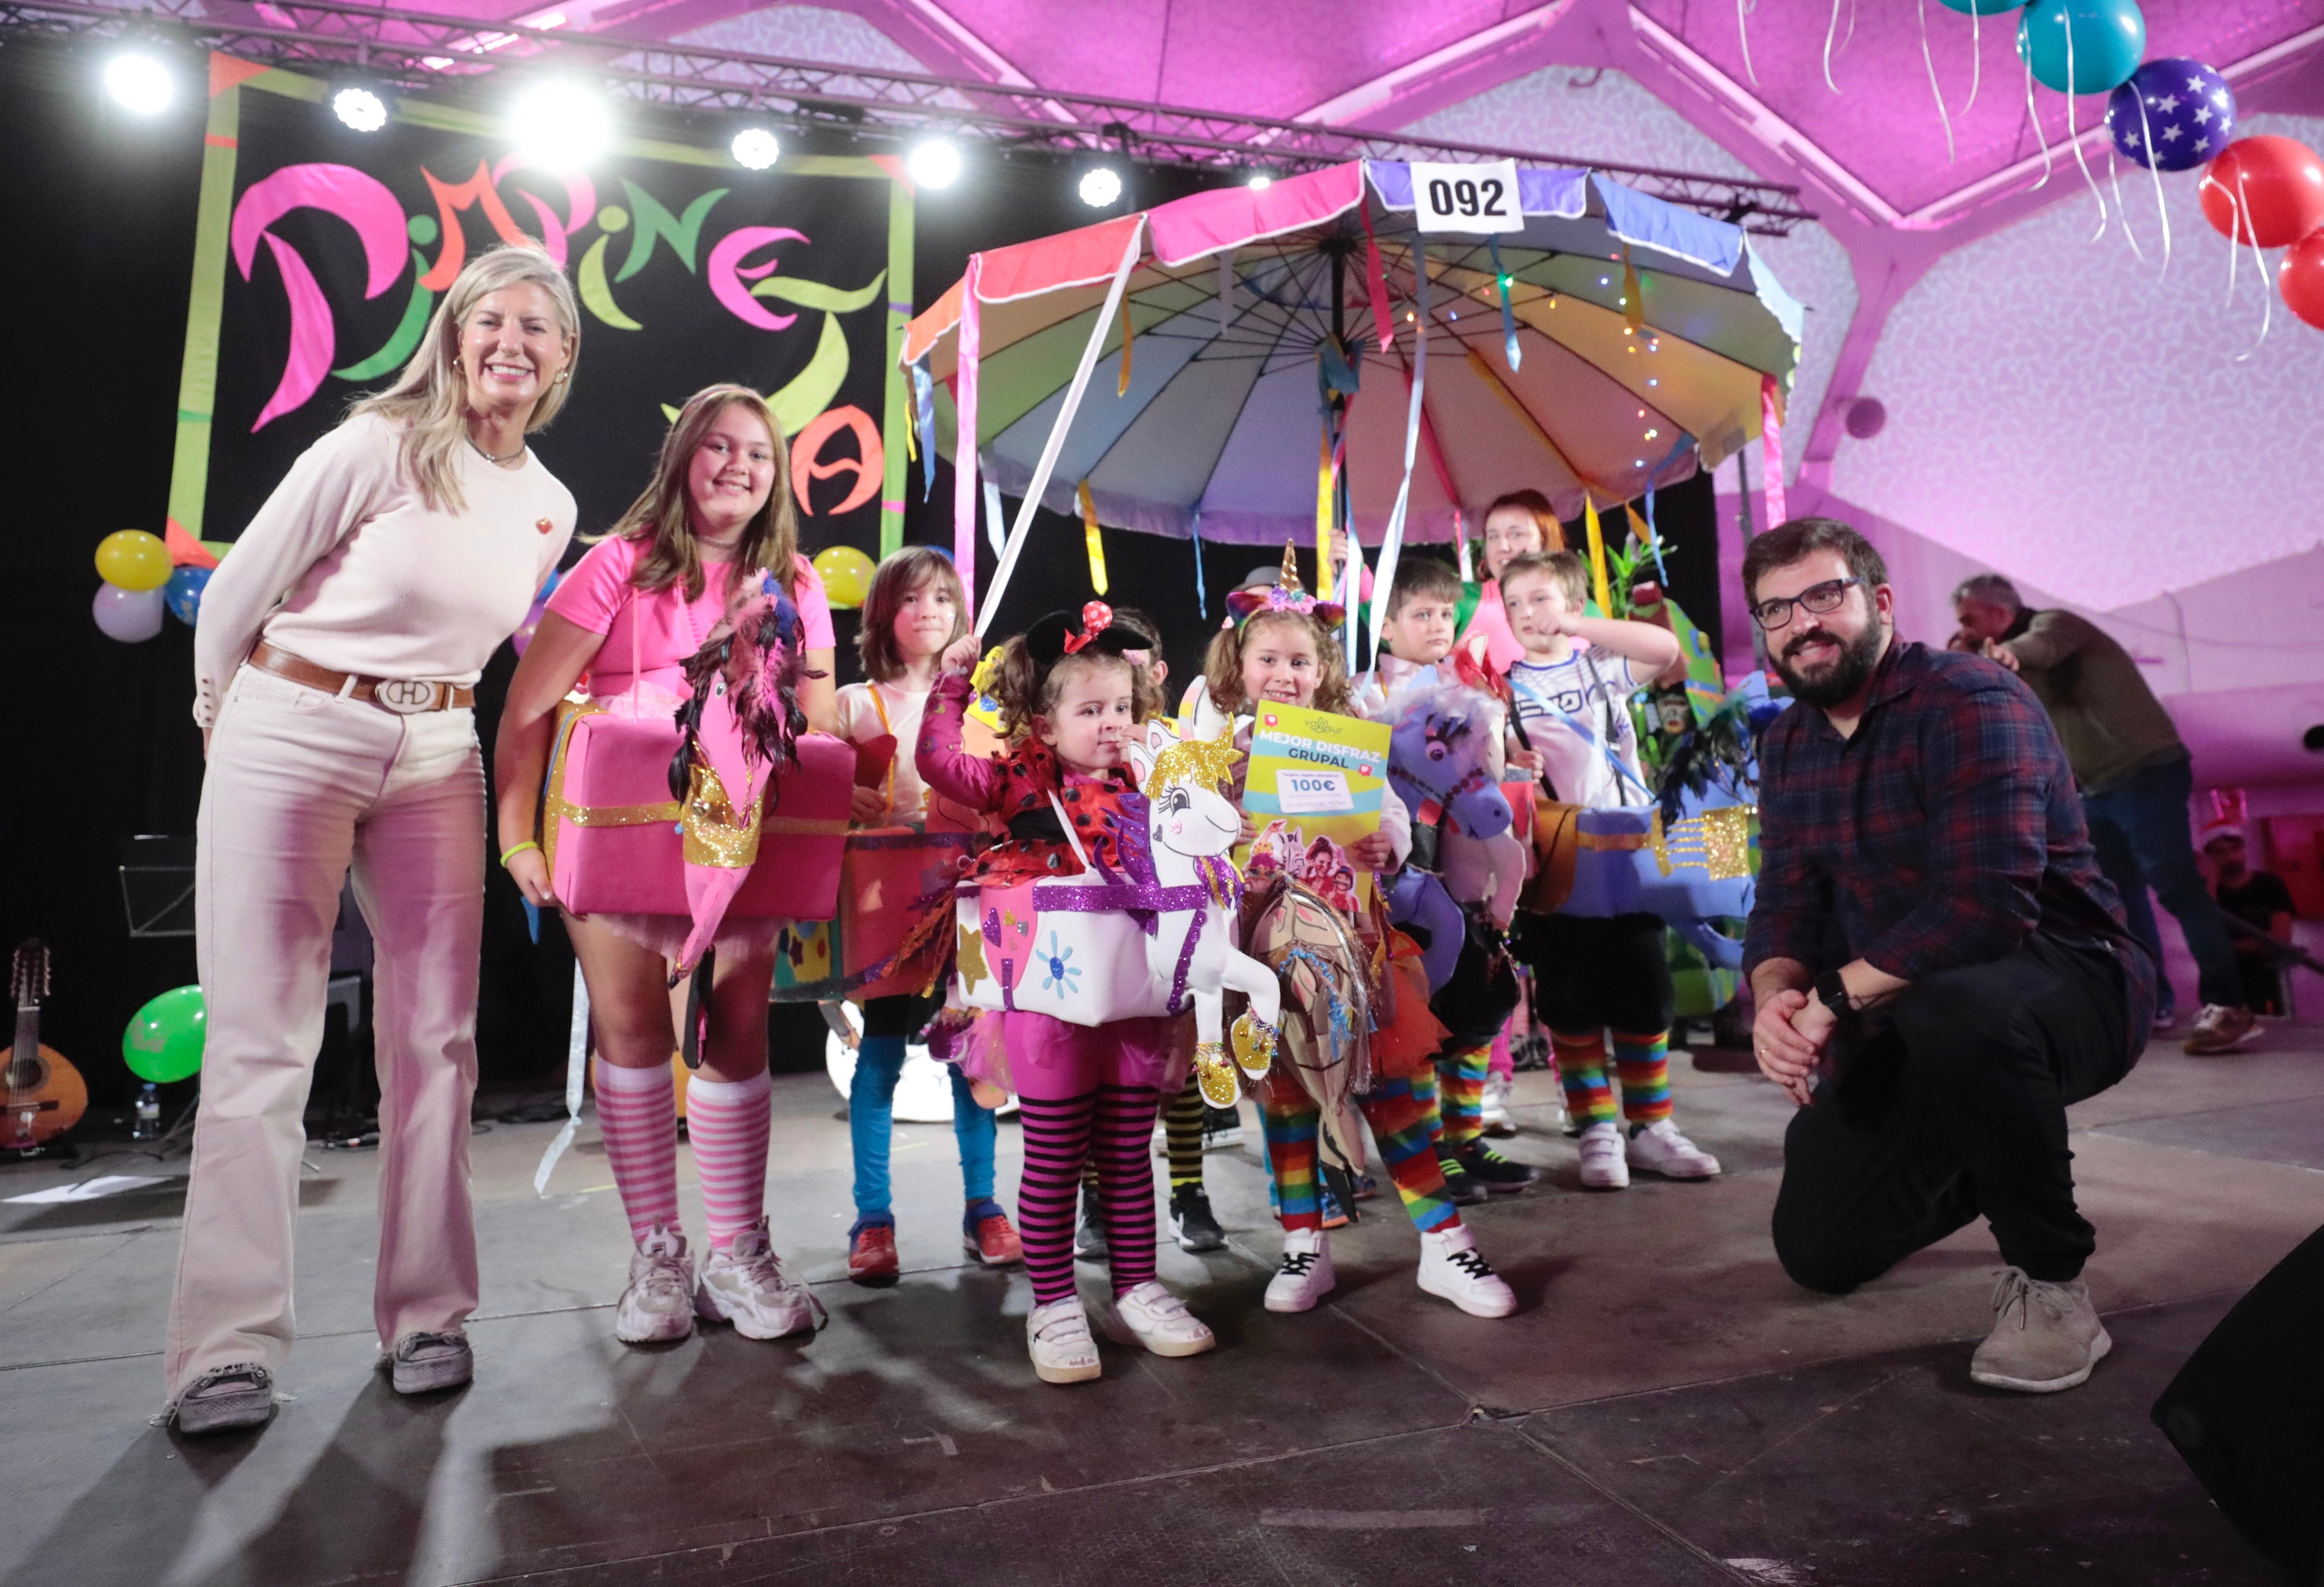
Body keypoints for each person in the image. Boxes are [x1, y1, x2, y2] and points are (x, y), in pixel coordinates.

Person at [168, 245, 582, 1435]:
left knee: (436, 1042)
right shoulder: (374, 446)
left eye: (537, 328)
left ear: (562, 359)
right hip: (294, 721)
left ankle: (426, 1314)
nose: (511, 341)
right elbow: (244, 586)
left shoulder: (547, 503)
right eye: (489, 320)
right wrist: (222, 723)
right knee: (260, 1044)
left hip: (438, 752)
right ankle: (227, 1348)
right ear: (453, 337)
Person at [1747, 519, 2153, 1395]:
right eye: (1775, 610)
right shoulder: (1783, 743)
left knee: (1955, 1006)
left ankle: (2050, 1283)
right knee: (1821, 1249)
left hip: (2065, 978)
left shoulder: (1970, 699)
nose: (1800, 624)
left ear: (1879, 602)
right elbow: (1783, 898)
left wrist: (1825, 1001)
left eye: (1823, 596)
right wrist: (1772, 999)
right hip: (1901, 1009)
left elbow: (1983, 909)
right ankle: (1995, 1136)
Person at [493, 385, 835, 1349]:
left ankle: (738, 1248)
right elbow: (525, 707)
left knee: (733, 1033)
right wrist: (516, 833)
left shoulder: (795, 583)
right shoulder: (615, 564)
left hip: (746, 836)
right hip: (613, 828)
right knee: (634, 1028)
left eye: (760, 453)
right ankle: (656, 1251)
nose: (739, 465)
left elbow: (821, 717)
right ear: (683, 453)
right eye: (719, 445)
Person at [1194, 568, 1515, 1320]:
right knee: (1284, 1102)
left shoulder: (1345, 743)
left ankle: (1444, 1241)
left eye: (1300, 661)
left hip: (1359, 950)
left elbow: (1394, 823)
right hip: (1263, 960)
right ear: (1239, 668)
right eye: (1267, 659)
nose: (1284, 673)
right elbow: (1186, 845)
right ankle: (1304, 1243)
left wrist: (1384, 844)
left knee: (1393, 1094)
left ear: (1324, 671)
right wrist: (1220, 834)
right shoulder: (1217, 755)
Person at [920, 606, 1215, 1384]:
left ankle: (1137, 1287)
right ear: (1044, 726)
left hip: (1138, 994)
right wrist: (950, 684)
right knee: (1054, 1156)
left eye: (1120, 707)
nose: (1112, 724)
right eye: (1090, 710)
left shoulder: (1152, 780)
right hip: (1045, 999)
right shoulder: (1017, 779)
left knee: (1126, 1152)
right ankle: (1053, 1302)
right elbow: (941, 764)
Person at [1954, 574, 2253, 1056]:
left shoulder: (2055, 624)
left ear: (1996, 612)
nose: (1964, 626)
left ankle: (2229, 1003)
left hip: (2143, 772)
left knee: (2174, 884)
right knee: (2108, 900)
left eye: (1968, 617)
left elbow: (2041, 646)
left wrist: (2009, 655)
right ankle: (2149, 1002)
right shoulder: (2007, 670)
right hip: (2094, 789)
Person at [1498, 550, 1719, 1191]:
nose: (1526, 614)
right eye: (1514, 604)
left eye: (1540, 598)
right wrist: (1512, 763)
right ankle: (1596, 1129)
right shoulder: (1502, 685)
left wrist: (1578, 626)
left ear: (1570, 601)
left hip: (1629, 856)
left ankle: (1652, 1128)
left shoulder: (1599, 664)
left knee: (1644, 992)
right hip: (1558, 861)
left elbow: (1661, 647)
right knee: (1569, 1000)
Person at [831, 547, 1022, 1282]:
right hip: (886, 909)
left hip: (969, 901)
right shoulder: (855, 703)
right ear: (884, 612)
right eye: (911, 599)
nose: (929, 612)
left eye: (942, 597)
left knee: (973, 1057)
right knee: (878, 1055)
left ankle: (985, 1207)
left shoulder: (984, 706)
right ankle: (872, 1218)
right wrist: (843, 796)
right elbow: (824, 796)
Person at [1355, 554, 1536, 1205]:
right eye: (1421, 614)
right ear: (1384, 625)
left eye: (1444, 613)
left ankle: (1462, 1137)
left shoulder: (1467, 690)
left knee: (1473, 1012)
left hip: (1464, 882)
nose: (1437, 625)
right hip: (1397, 887)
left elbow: (1482, 782)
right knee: (1416, 1028)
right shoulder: (1361, 696)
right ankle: (1428, 1144)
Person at [2203, 826, 2296, 1015]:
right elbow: (2205, 937)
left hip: (2269, 975)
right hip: (2224, 979)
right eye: (2221, 852)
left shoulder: (2271, 885)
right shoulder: (2207, 893)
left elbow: (2281, 938)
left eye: (2235, 849)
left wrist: (2227, 947)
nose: (2231, 858)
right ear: (2210, 857)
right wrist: (2210, 884)